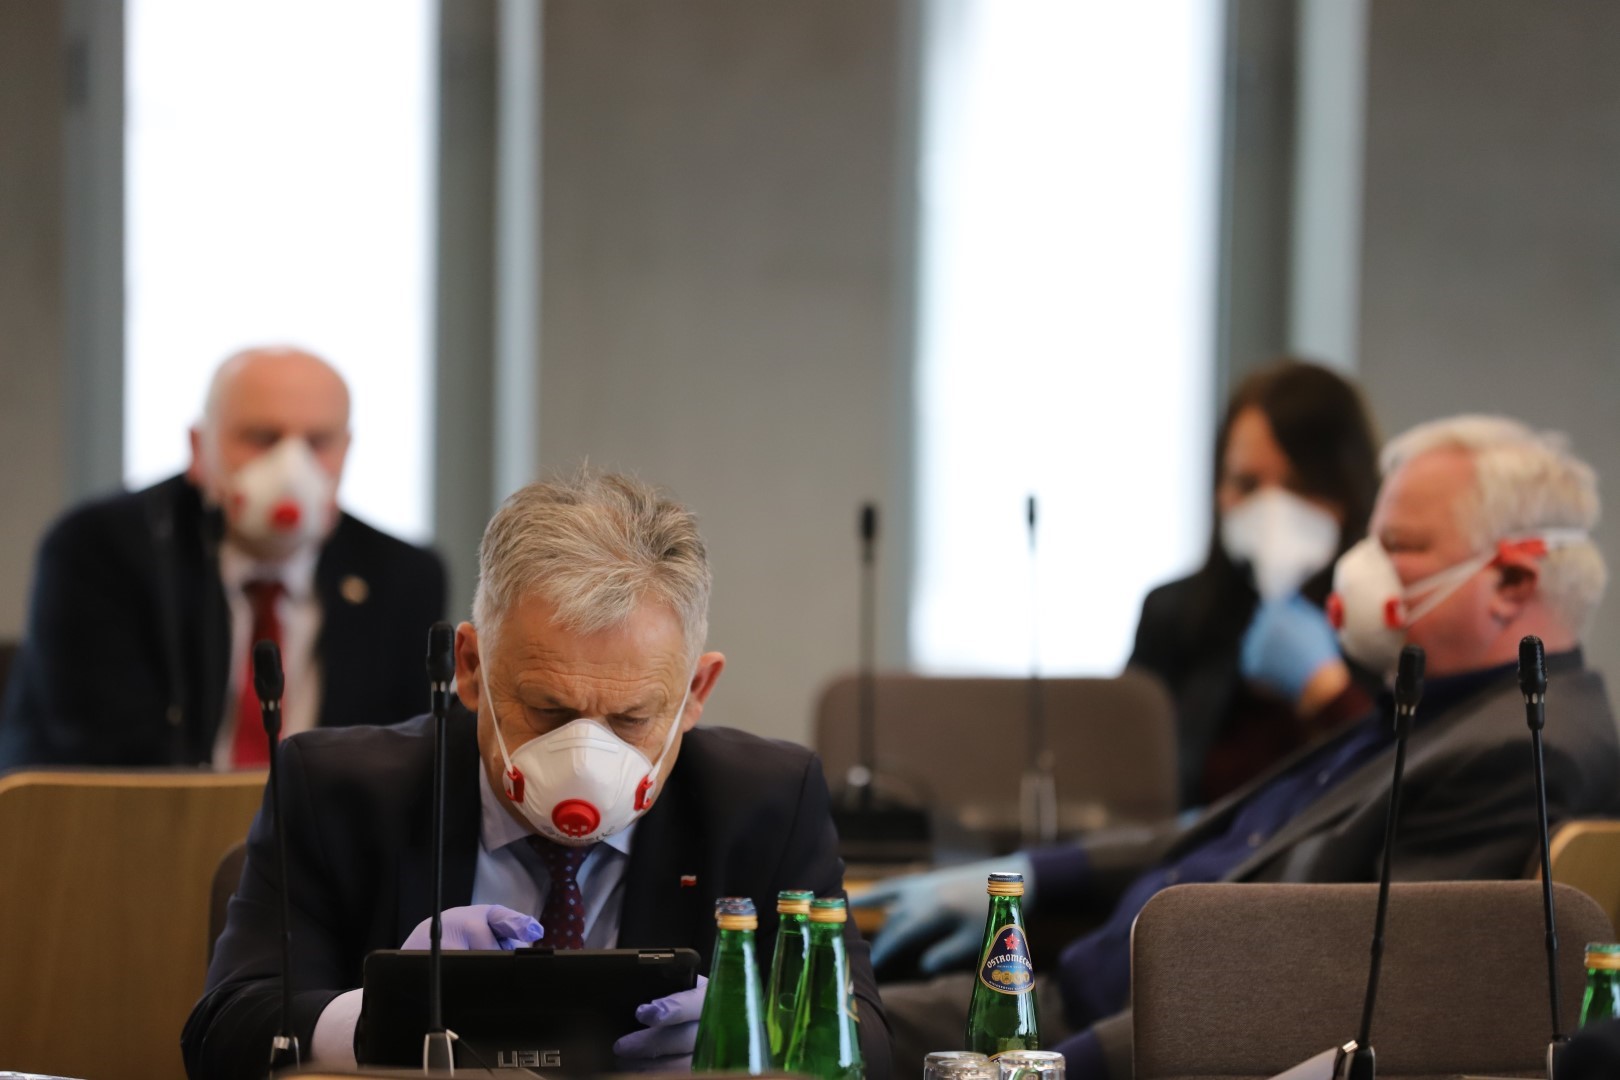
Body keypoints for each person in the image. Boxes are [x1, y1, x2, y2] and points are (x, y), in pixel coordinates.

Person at [865, 415, 1620, 1079]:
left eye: (1400, 545)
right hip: (1067, 997)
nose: (1362, 567)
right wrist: (1037, 874)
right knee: (818, 1011)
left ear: (1512, 581)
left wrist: (1060, 1067)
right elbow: (1224, 832)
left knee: (824, 1044)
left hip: (1121, 1046)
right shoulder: (1429, 708)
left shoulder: (1522, 752)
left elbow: (1344, 994)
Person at [183, 470, 893, 1079]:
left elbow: (869, 1044)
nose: (585, 757)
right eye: (548, 710)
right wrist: (384, 1014)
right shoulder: (339, 791)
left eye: (631, 718)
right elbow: (226, 1031)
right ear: (471, 668)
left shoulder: (766, 802)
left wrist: (751, 1036)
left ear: (695, 694)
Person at [0, 346, 446, 768]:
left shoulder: (403, 577)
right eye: (262, 439)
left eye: (318, 442)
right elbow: (104, 763)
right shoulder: (100, 551)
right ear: (199, 448)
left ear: (346, 450)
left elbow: (405, 759)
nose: (292, 468)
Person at [1130, 360, 1382, 809]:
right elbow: (1125, 779)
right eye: (1246, 484)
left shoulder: (1394, 628)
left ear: (1350, 490)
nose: (1272, 511)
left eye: (1299, 486)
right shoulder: (1172, 614)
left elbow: (1399, 795)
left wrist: (1331, 695)